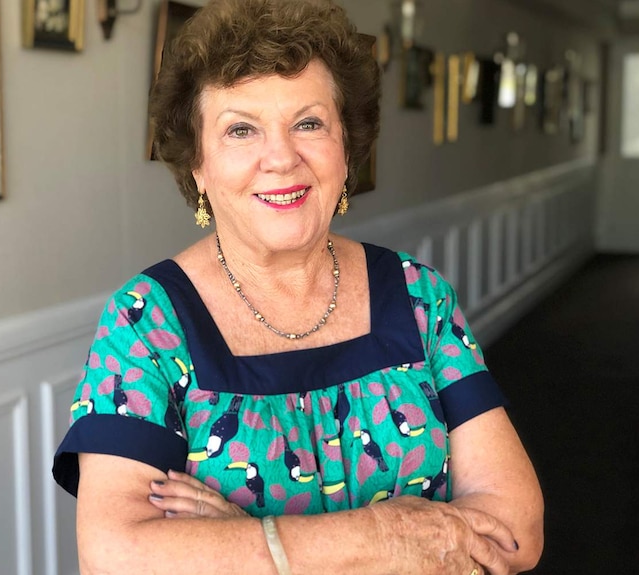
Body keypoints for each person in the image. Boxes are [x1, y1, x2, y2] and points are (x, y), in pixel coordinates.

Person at [53, 0, 544, 573]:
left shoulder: (416, 296)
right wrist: (385, 539)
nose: (281, 158)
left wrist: (249, 544)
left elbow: (515, 531)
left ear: (346, 150)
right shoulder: (146, 322)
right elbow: (114, 556)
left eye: (308, 123)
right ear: (198, 166)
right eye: (241, 129)